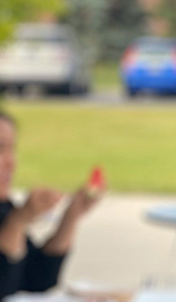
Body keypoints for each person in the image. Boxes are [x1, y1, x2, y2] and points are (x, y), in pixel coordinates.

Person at [0, 110, 102, 299]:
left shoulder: (4, 208)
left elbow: (39, 278)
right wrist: (18, 222)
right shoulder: (10, 216)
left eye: (11, 149)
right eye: (0, 149)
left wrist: (72, 215)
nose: (10, 162)